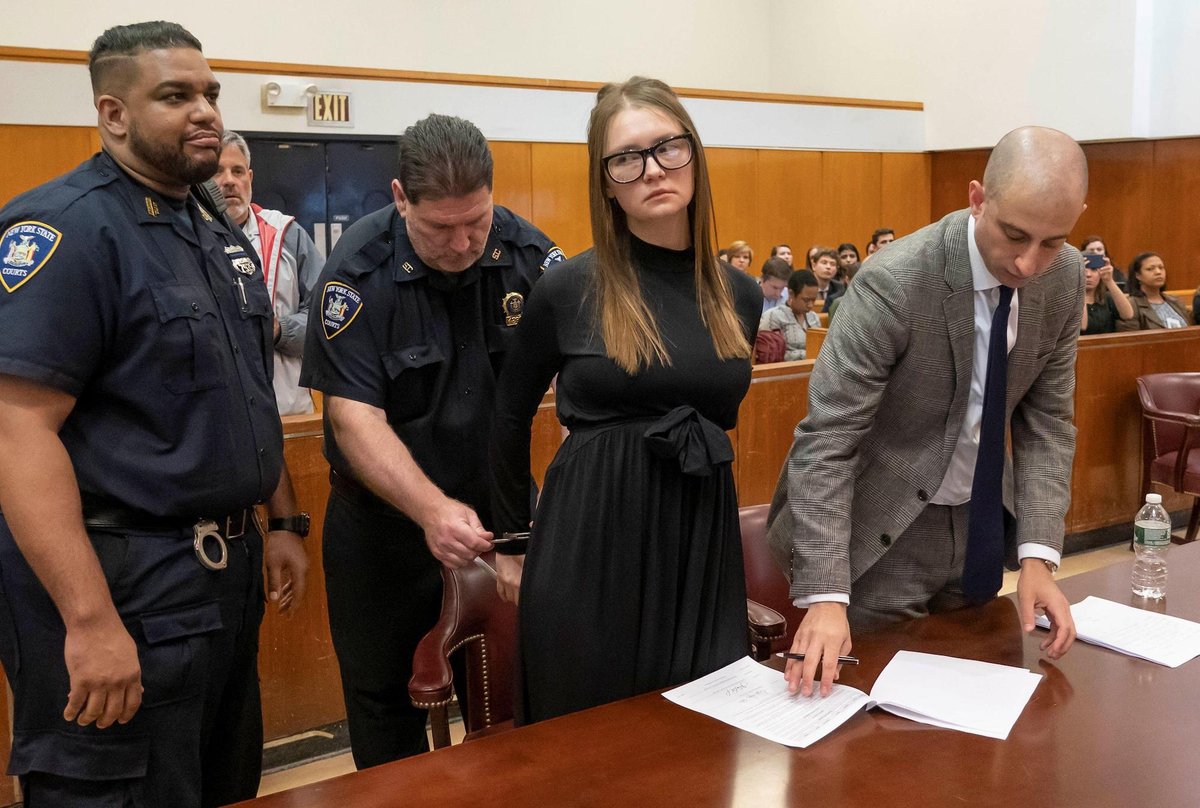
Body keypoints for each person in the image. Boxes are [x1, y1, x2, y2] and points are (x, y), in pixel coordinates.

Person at [0, 21, 308, 808]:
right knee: (118, 792)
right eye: (175, 96)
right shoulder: (67, 228)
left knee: (220, 783)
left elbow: (243, 394)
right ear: (113, 114)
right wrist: (90, 620)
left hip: (220, 583)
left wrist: (281, 523)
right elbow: (16, 432)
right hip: (122, 583)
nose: (204, 110)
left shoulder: (212, 229)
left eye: (209, 92)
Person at [767, 126, 1085, 699]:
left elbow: (1047, 424)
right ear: (976, 198)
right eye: (1014, 234)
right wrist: (826, 594)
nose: (1028, 262)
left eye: (1052, 242)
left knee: (969, 699)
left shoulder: (1063, 281)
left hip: (981, 521)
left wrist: (1039, 554)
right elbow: (828, 438)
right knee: (871, 724)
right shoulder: (893, 282)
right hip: (876, 529)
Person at [488, 76, 761, 724]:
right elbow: (506, 414)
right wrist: (512, 541)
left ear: (694, 153)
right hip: (589, 545)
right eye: (626, 158)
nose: (652, 170)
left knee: (702, 735)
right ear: (605, 181)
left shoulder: (739, 297)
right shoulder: (570, 288)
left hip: (699, 543)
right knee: (590, 750)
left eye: (668, 147)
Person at [299, 113, 563, 768]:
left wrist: (526, 527)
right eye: (440, 228)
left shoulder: (532, 259)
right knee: (383, 704)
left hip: (505, 517)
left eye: (476, 221)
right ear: (399, 198)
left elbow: (587, 391)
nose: (463, 243)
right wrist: (430, 510)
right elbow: (353, 417)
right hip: (383, 528)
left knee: (516, 697)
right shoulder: (357, 275)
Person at [216, 131, 324, 415]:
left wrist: (279, 330)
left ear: (249, 178)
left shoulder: (288, 234)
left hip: (286, 412)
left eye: (237, 171)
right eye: (217, 171)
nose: (228, 180)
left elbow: (326, 317)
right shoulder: (184, 238)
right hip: (218, 419)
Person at [759, 269, 821, 360]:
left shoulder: (814, 317)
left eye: (814, 300)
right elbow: (771, 353)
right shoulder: (773, 316)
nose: (811, 305)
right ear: (791, 293)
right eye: (806, 300)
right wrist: (809, 355)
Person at [1118, 252, 1189, 330]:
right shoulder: (1130, 305)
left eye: (1161, 267)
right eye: (1150, 269)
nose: (1158, 272)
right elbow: (1130, 338)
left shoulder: (1175, 301)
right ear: (1138, 275)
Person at [1080, 251, 1133, 334]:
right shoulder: (1068, 299)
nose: (1088, 274)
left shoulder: (1106, 297)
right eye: (1084, 270)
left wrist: (1109, 281)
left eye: (1094, 269)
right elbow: (1082, 326)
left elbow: (1128, 315)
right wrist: (1078, 285)